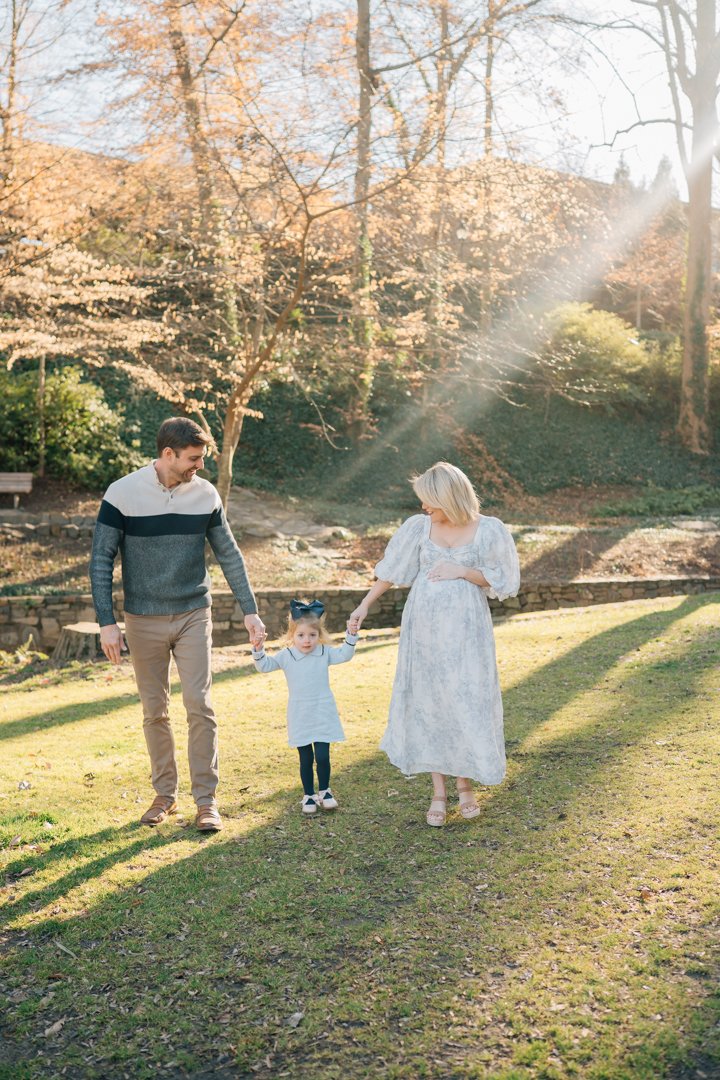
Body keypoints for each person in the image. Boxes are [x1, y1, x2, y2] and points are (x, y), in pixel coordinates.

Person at [90, 417, 265, 833]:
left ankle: (206, 801)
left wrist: (250, 610)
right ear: (168, 454)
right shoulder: (122, 493)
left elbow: (230, 555)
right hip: (141, 619)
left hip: (192, 613)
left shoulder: (205, 495)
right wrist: (106, 622)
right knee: (155, 711)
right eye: (193, 458)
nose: (199, 465)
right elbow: (101, 560)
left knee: (200, 706)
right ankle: (165, 795)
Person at [348, 461, 520, 827]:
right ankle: (439, 791)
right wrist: (364, 605)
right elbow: (391, 571)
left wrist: (462, 571)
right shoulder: (418, 528)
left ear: (449, 497)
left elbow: (505, 582)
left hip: (467, 634)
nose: (424, 507)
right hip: (423, 632)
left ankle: (465, 784)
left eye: (430, 500)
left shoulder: (489, 530)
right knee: (430, 701)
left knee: (465, 700)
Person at [252, 599, 358, 814]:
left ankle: (325, 791)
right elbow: (264, 666)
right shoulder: (287, 655)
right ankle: (308, 794)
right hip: (300, 713)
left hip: (322, 710)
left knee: (322, 755)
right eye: (301, 635)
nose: (307, 640)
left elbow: (345, 655)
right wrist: (258, 649)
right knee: (306, 758)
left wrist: (351, 634)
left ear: (319, 635)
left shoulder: (324, 652)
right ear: (292, 635)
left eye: (312, 635)